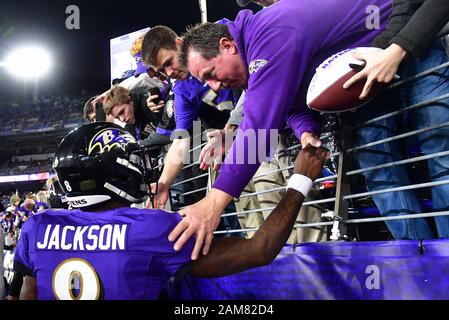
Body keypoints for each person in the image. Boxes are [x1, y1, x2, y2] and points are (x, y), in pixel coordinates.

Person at [175, 0, 392, 259]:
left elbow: (258, 127)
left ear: (227, 45)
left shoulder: (268, 31)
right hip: (377, 76)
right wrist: (305, 130)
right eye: (205, 81)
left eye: (211, 73)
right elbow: (292, 99)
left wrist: (214, 202)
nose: (214, 87)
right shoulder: (251, 48)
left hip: (407, 46)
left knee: (398, 176)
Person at [13, 122, 327, 300]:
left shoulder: (35, 227)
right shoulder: (150, 228)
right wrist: (300, 179)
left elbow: (25, 295)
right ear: (118, 175)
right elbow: (259, 250)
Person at [343, 0, 449, 239]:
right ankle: (418, 260)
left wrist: (393, 49)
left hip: (417, 45)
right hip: (365, 62)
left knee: (441, 154)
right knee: (380, 170)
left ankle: (441, 257)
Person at [141, 25, 238, 210]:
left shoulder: (221, 34)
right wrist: (163, 184)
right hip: (242, 141)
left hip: (271, 125)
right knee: (250, 209)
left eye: (169, 62)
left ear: (180, 44)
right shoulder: (182, 88)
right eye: (161, 70)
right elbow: (180, 140)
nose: (168, 73)